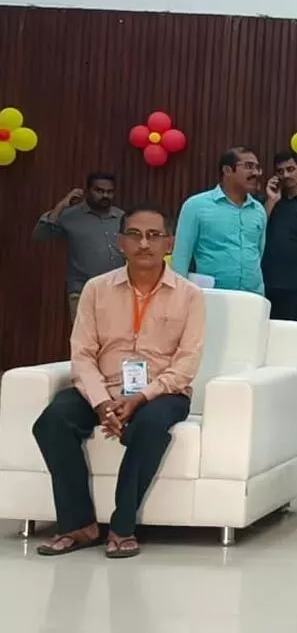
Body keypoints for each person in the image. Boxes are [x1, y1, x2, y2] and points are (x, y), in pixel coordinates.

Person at [32, 202, 205, 559]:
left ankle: (123, 526)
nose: (145, 244)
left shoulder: (190, 295)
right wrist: (101, 402)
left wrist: (139, 398)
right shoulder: (96, 289)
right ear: (120, 242)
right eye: (135, 235)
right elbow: (81, 353)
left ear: (169, 244)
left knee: (149, 427)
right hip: (101, 388)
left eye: (154, 236)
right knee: (51, 422)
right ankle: (79, 524)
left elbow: (187, 363)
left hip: (162, 392)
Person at [172, 146, 267, 294]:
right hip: (212, 296)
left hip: (252, 297)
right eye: (249, 166)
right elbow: (181, 258)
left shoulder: (258, 210)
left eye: (257, 168)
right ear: (227, 170)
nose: (256, 173)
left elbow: (258, 253)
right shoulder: (196, 206)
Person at [33, 173, 124, 322]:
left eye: (109, 192)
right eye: (99, 191)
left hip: (117, 291)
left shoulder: (122, 217)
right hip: (82, 291)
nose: (105, 195)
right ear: (87, 191)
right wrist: (61, 206)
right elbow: (41, 235)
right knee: (84, 341)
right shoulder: (70, 216)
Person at [262, 151, 297, 321]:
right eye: (280, 171)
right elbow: (256, 230)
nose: (286, 175)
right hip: (266, 283)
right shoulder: (269, 202)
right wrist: (271, 201)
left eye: (290, 169)